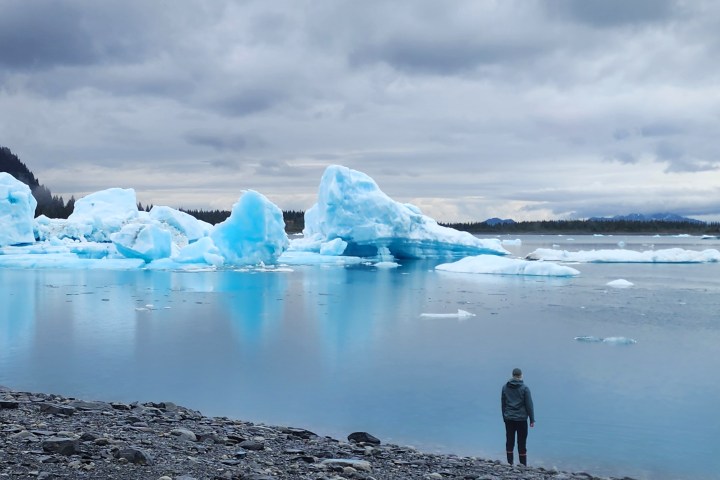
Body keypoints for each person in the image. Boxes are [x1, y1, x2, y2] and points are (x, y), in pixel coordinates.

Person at [501, 367, 535, 466]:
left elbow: (503, 404)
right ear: (521, 376)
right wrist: (532, 419)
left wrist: (504, 416)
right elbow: (529, 405)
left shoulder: (505, 387)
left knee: (509, 440)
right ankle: (523, 464)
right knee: (522, 442)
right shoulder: (525, 388)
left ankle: (509, 463)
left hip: (509, 418)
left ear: (512, 375)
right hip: (521, 419)